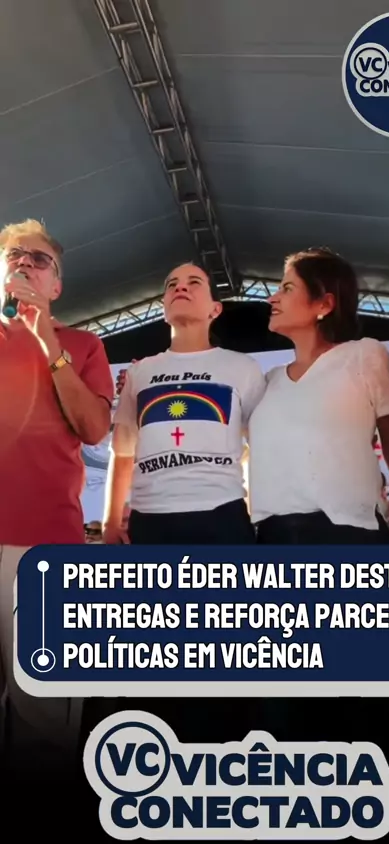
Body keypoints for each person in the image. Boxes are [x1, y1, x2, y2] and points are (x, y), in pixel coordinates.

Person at [247, 248, 389, 775]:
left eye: (286, 287)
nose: (273, 297)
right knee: (284, 706)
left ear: (324, 303)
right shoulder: (269, 383)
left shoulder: (364, 355)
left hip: (348, 542)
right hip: (273, 549)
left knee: (360, 704)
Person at [102, 261, 266, 741]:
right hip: (152, 524)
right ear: (162, 307)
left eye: (194, 282)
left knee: (225, 649)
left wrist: (258, 514)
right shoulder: (142, 372)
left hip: (222, 519)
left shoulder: (241, 368)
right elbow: (123, 451)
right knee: (156, 651)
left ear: (215, 308)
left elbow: (263, 446)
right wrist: (111, 520)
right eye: (172, 283)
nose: (181, 287)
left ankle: (227, 754)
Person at [0, 219, 113, 786]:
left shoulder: (84, 345)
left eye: (39, 259)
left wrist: (48, 343)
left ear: (57, 284)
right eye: (15, 255)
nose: (25, 263)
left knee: (43, 710)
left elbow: (94, 429)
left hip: (46, 547)